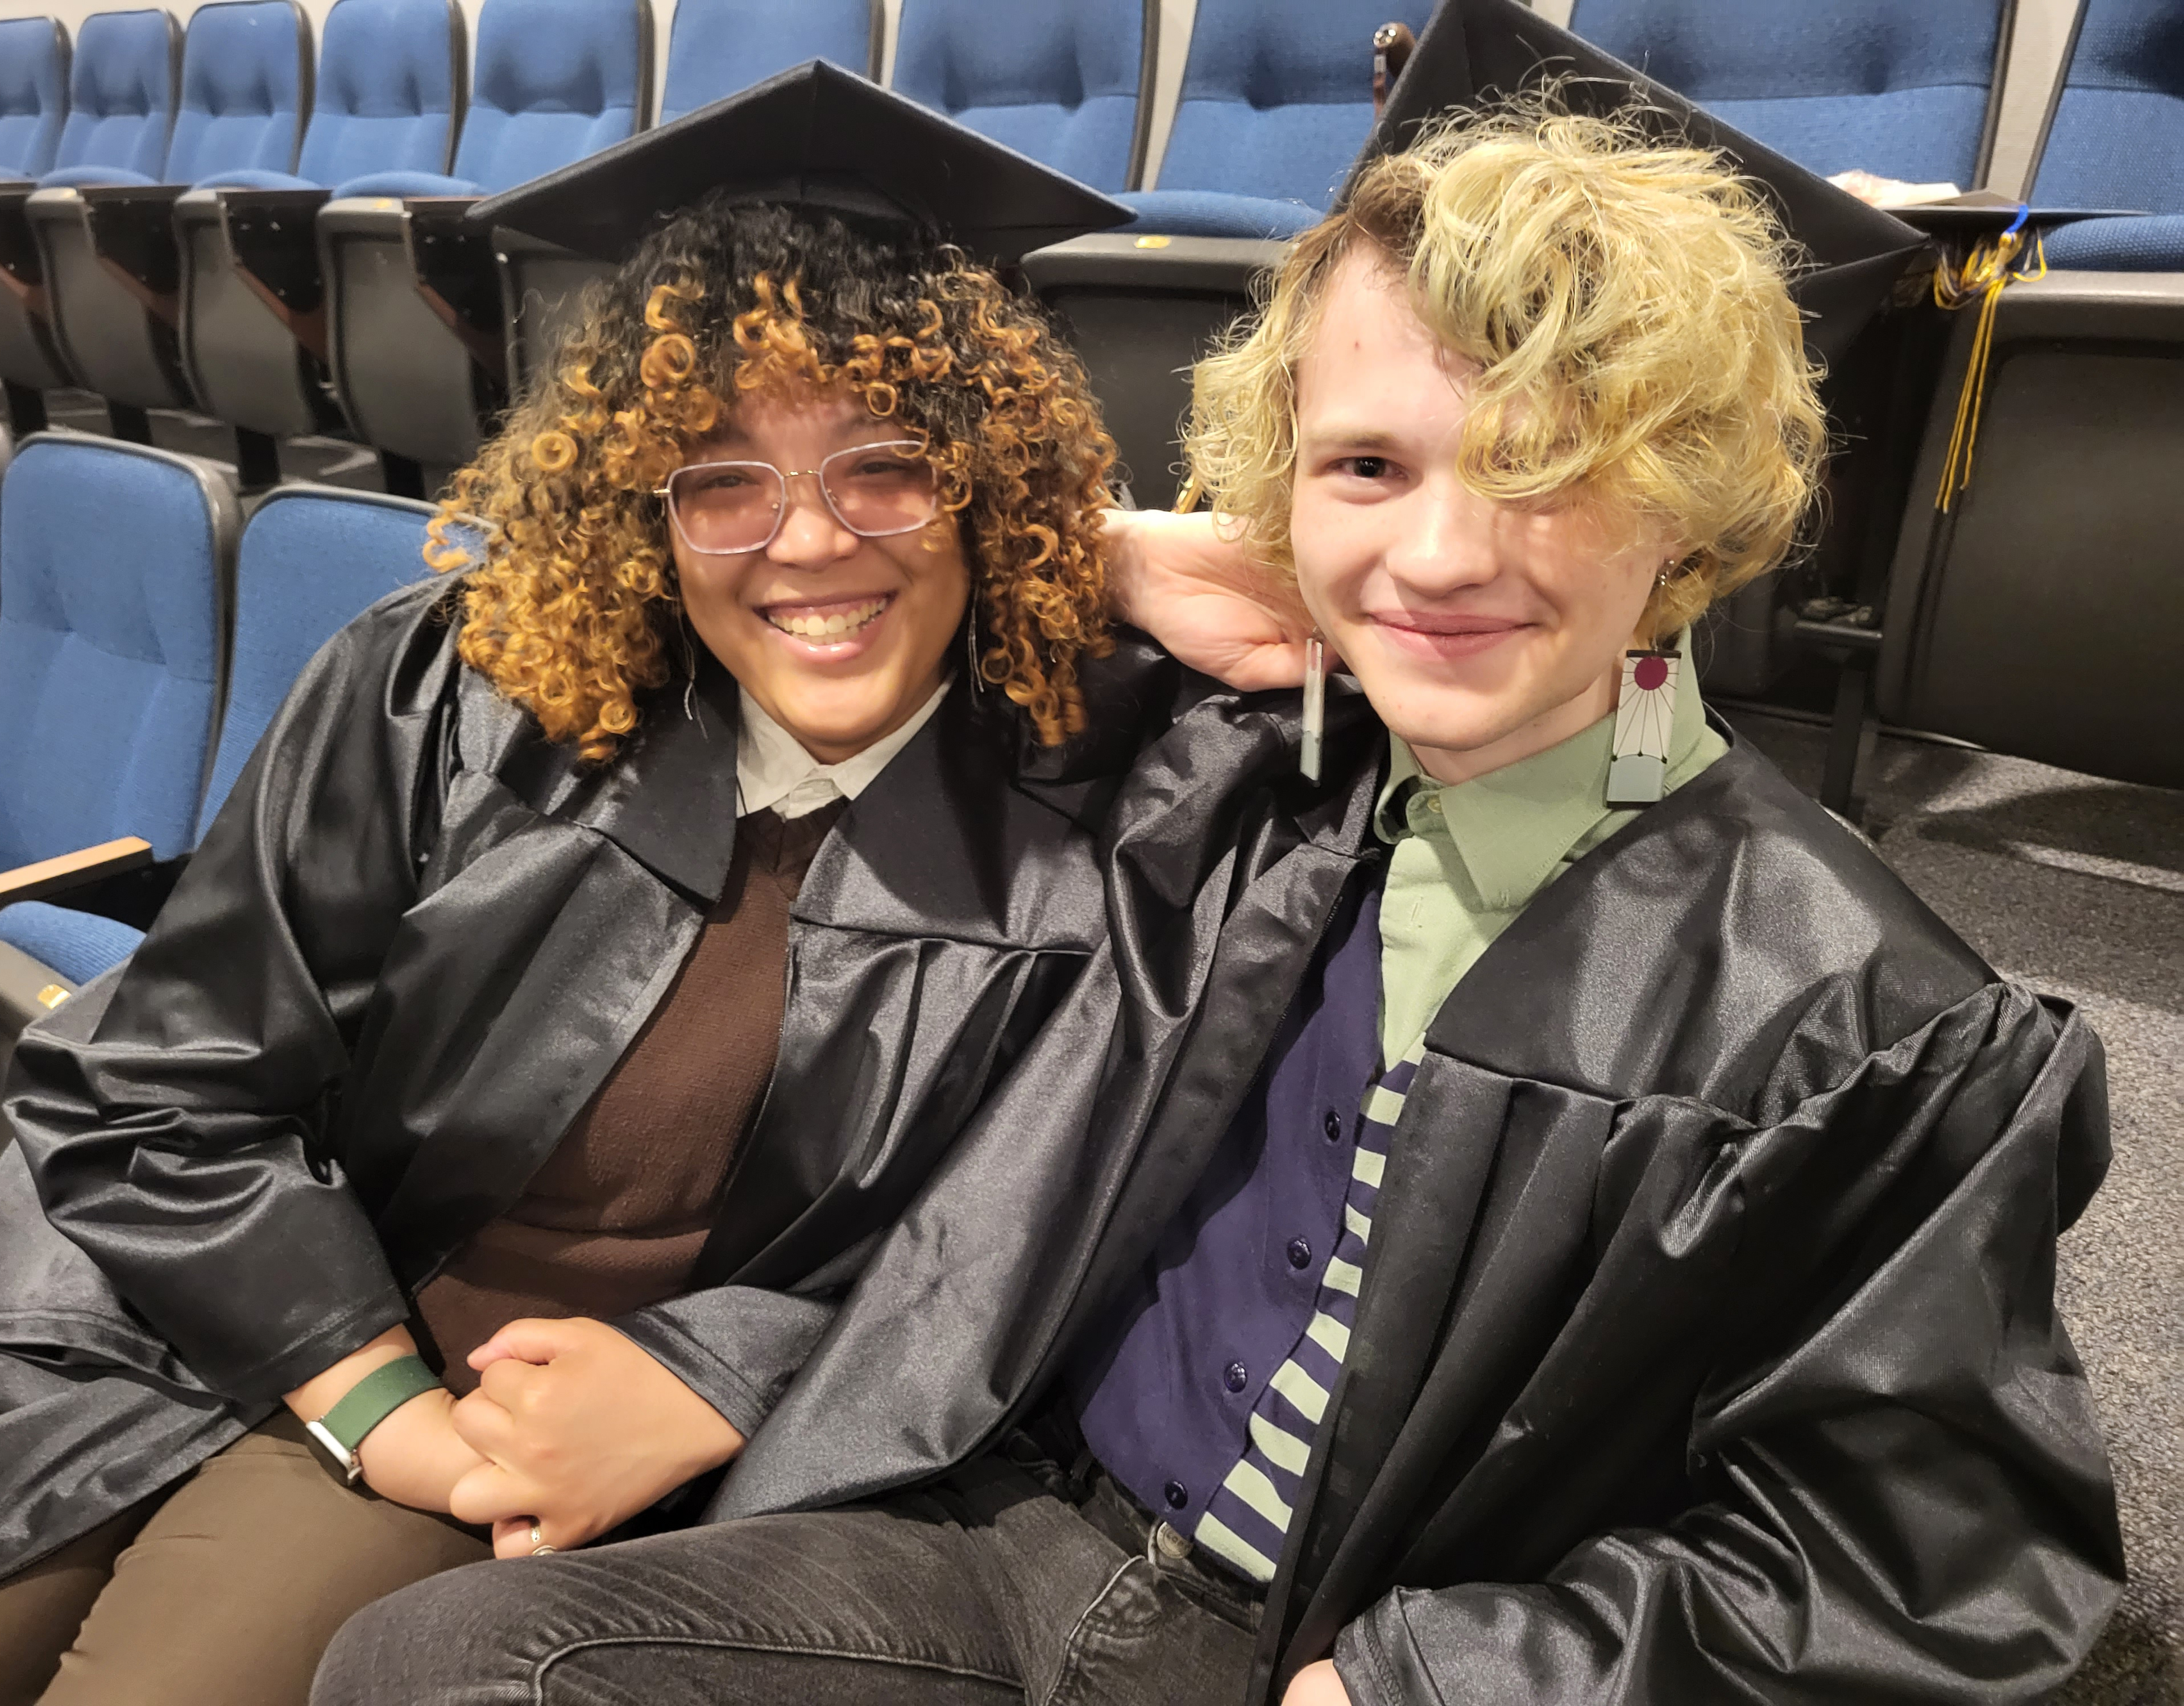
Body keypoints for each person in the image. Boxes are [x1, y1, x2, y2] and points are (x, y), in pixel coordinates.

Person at [313, 34, 2125, 1706]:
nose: (1438, 552)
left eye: (1550, 461)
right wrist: (1101, 546)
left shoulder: (1859, 1019)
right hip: (1019, 1543)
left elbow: (1919, 1572)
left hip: (1344, 1658)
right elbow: (786, 598)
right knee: (443, 1669)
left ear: (1696, 494)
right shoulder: (1238, 777)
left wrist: (1433, 1685)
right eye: (1364, 464)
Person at [0, 63, 1202, 1706]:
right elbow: (160, 1087)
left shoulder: (1110, 823)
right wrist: (381, 1408)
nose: (805, 543)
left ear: (989, 477)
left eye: (887, 463)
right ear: (637, 506)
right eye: (721, 479)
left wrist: (684, 1382)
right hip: (182, 1302)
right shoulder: (451, 692)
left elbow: (1039, 1254)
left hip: (547, 1445)